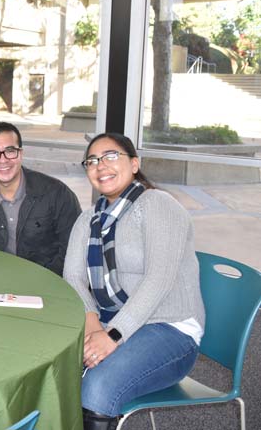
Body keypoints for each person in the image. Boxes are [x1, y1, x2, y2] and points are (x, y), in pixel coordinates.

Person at [63, 133, 205, 430]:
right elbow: (74, 277)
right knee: (54, 362)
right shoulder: (89, 218)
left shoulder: (158, 205)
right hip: (111, 318)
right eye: (92, 160)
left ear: (135, 163)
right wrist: (93, 327)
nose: (101, 165)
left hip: (170, 328)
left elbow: (159, 279)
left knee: (98, 387)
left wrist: (112, 336)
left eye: (111, 156)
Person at [0, 121, 81, 275]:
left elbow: (73, 252)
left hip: (50, 282)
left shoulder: (57, 193)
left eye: (10, 150)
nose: (3, 160)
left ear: (20, 153)